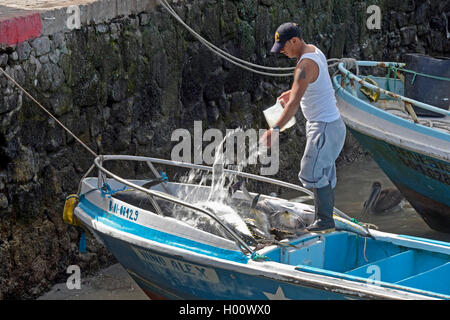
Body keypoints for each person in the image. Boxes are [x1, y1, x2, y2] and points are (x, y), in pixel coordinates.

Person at [260, 22, 346, 233]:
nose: (283, 52)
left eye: (284, 47)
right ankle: (323, 217)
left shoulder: (304, 66)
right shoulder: (314, 50)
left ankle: (325, 220)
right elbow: (316, 84)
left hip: (324, 127)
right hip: (330, 125)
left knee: (311, 171)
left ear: (295, 41)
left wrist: (275, 130)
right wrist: (293, 92)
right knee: (320, 172)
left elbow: (293, 105)